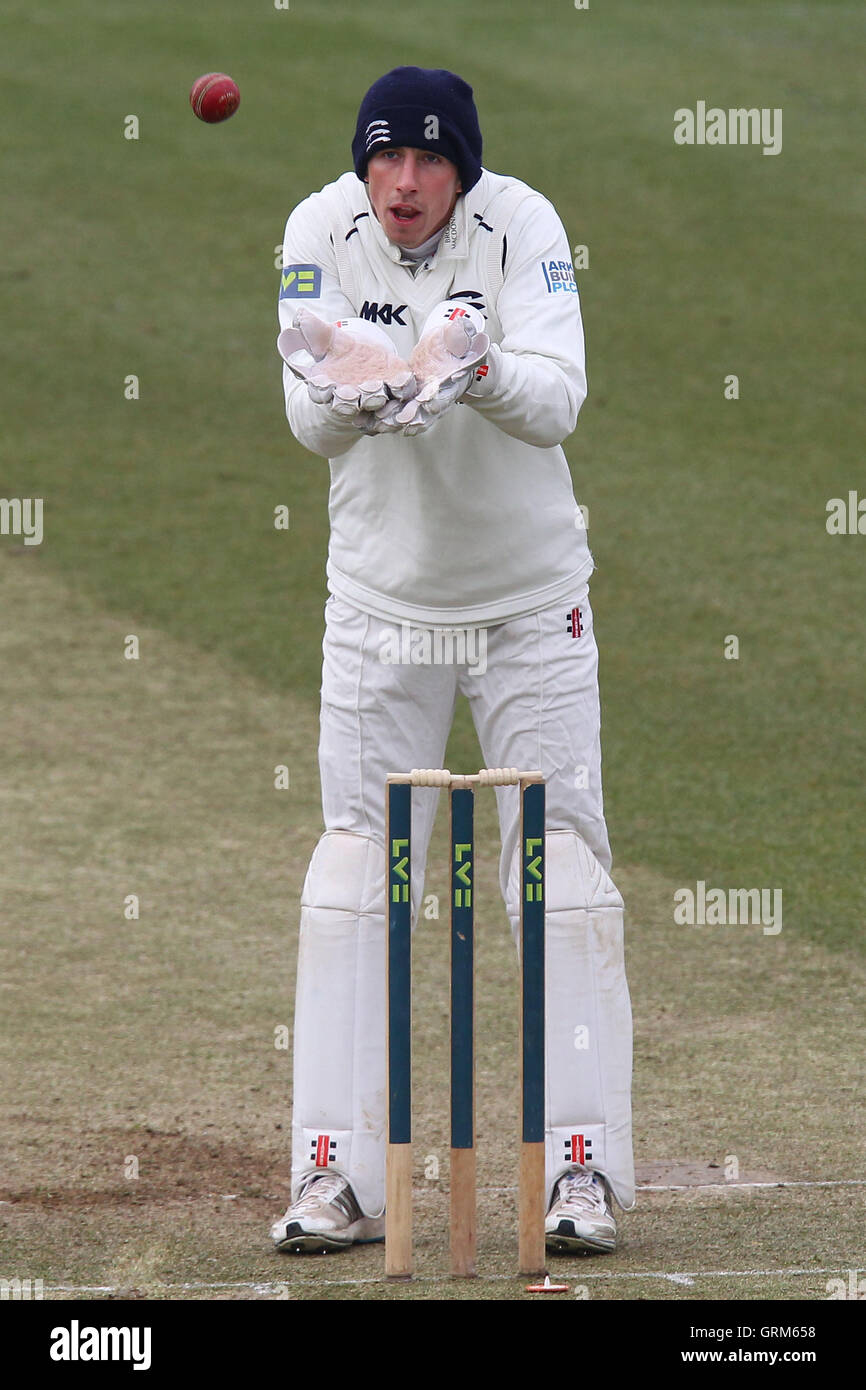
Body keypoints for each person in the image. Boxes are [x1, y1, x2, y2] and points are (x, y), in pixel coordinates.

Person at [270, 66, 634, 1259]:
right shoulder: (317, 228)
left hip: (530, 606)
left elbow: (560, 398)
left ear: (461, 169)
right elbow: (305, 415)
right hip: (379, 610)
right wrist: (358, 388)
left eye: (429, 161)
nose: (405, 183)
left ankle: (576, 1168)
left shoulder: (521, 226)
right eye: (387, 159)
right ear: (363, 163)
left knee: (562, 870)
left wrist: (470, 364)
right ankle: (336, 1176)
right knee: (354, 876)